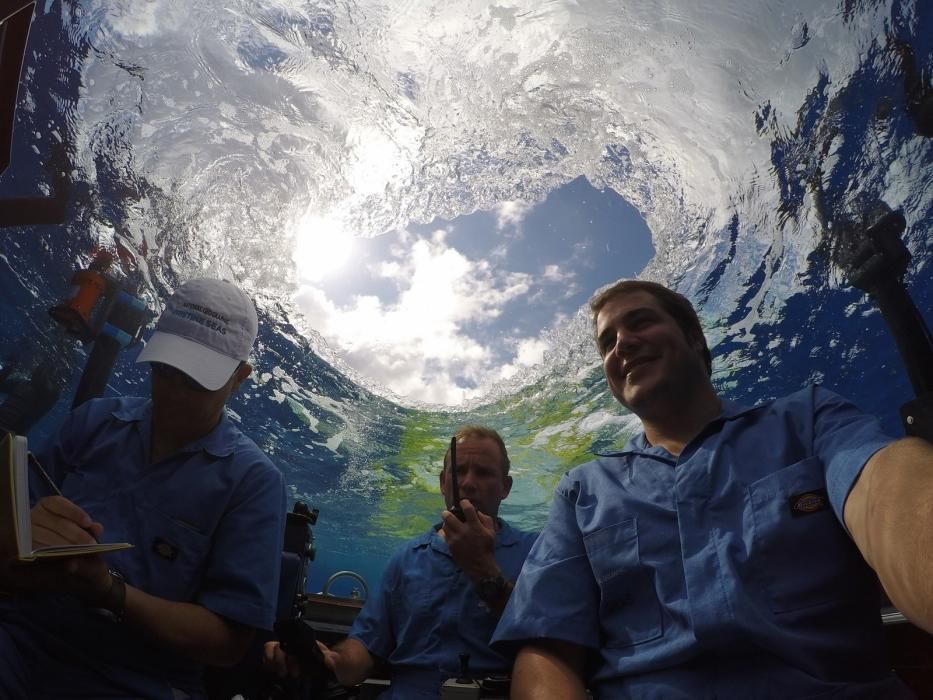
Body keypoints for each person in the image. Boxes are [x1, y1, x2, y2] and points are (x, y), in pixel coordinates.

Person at [493, 279, 933, 699]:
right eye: (607, 342)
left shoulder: (808, 420)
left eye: (641, 322)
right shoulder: (582, 490)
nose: (621, 344)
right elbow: (547, 648)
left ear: (694, 339)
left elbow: (885, 484)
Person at [0, 277, 287, 699]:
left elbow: (228, 644)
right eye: (165, 370)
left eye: (194, 381)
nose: (172, 392)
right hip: (20, 640)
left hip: (141, 682)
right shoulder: (93, 421)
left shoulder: (254, 484)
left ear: (239, 377)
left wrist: (110, 592)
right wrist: (18, 536)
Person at [264, 425, 538, 699]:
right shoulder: (407, 558)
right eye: (458, 471)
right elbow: (365, 647)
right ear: (443, 482)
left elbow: (549, 641)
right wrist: (330, 661)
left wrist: (480, 565)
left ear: (506, 486)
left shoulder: (535, 553)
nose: (467, 483)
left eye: (484, 472)